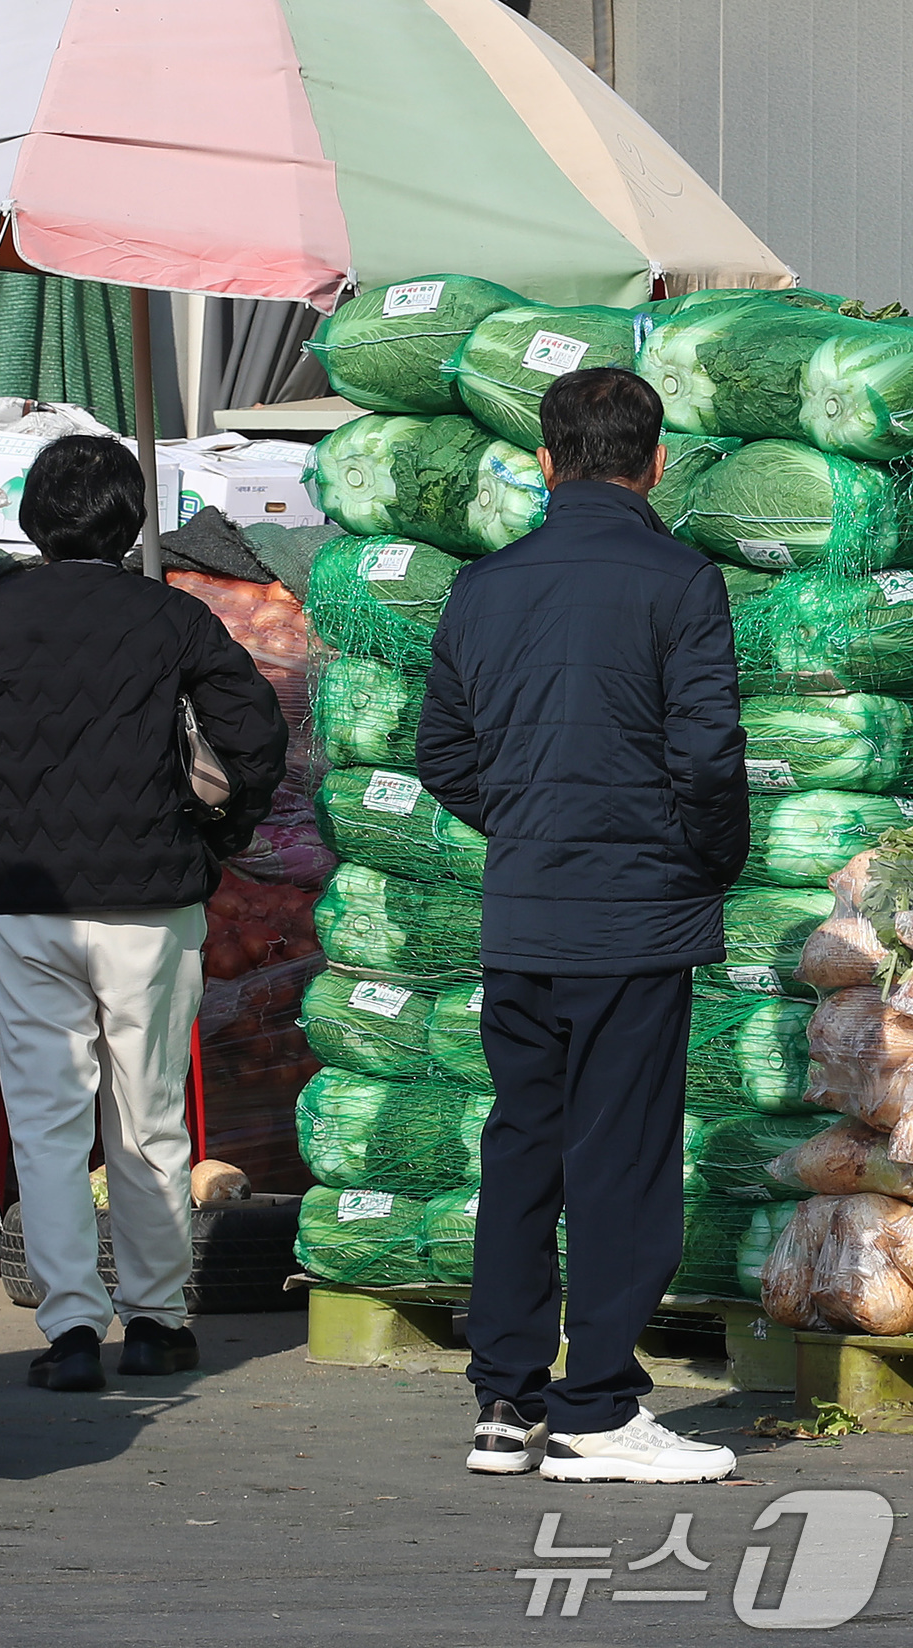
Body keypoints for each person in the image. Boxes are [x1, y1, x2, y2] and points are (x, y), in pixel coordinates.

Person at [416, 367, 749, 1485]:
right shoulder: (678, 580)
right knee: (621, 1161)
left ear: (548, 460)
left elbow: (443, 757)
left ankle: (504, 1402)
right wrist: (706, 858)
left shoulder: (482, 586)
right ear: (653, 461)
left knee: (520, 1148)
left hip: (522, 913)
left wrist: (522, 825)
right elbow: (704, 755)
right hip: (634, 918)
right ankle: (599, 1407)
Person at [0, 435, 287, 1392]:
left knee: (47, 1117)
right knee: (149, 1113)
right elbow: (254, 733)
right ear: (133, 520)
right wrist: (217, 835)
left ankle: (67, 1331)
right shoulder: (170, 616)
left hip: (23, 898)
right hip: (148, 895)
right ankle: (155, 1319)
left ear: (33, 523)